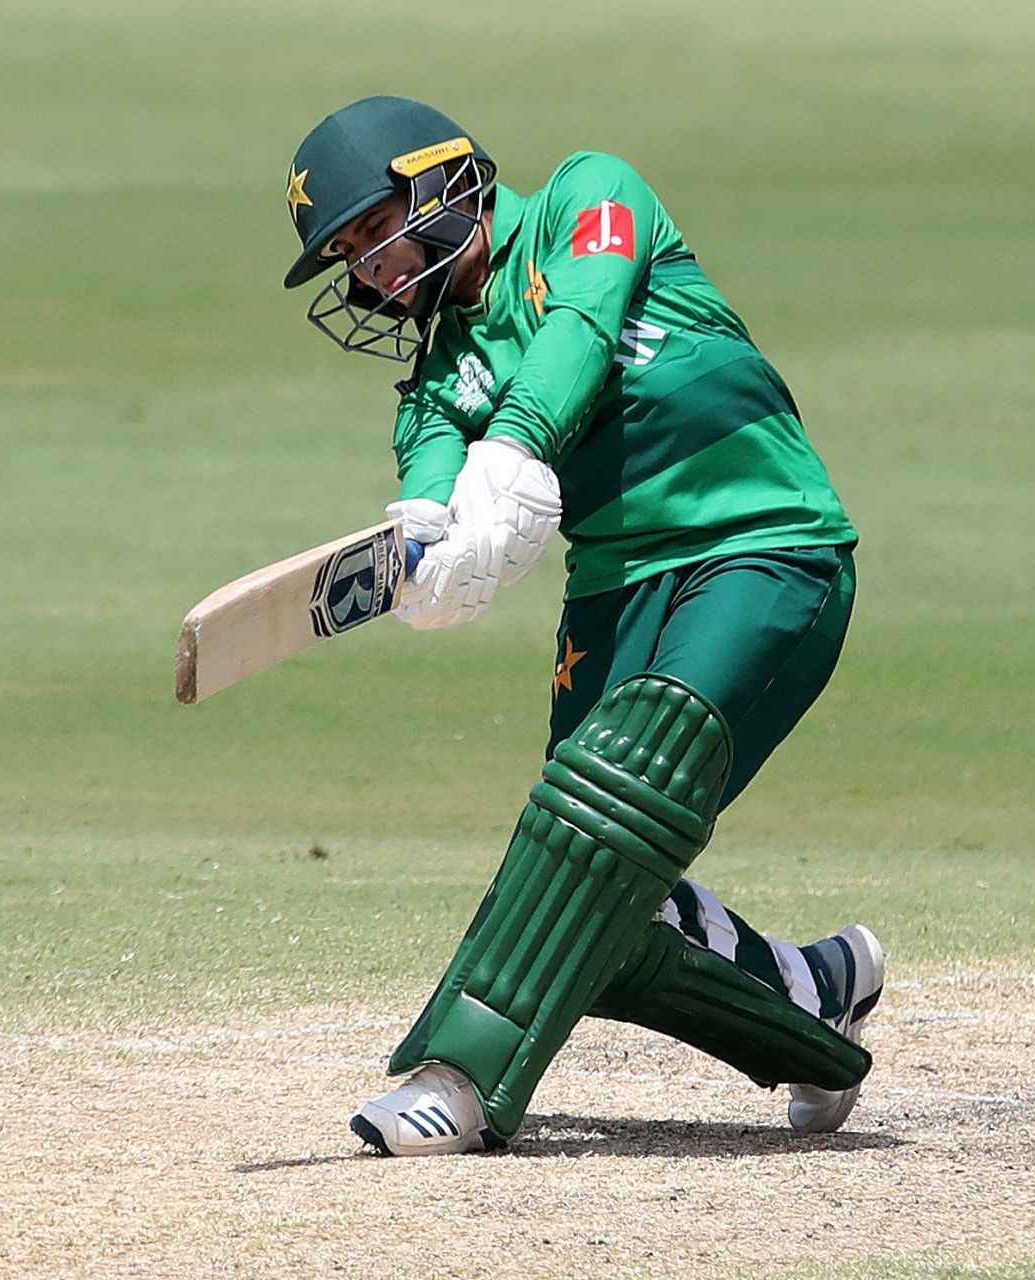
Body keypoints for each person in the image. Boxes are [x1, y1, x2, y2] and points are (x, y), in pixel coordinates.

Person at [281, 96, 885, 1156]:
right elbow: (429, 494)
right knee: (592, 890)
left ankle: (460, 1073)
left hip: (763, 546)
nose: (371, 271)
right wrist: (426, 557)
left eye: (374, 231)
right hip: (612, 595)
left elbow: (582, 322)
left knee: (599, 823)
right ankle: (816, 996)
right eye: (350, 255)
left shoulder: (589, 194)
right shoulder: (430, 390)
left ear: (442, 180)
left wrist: (513, 444)